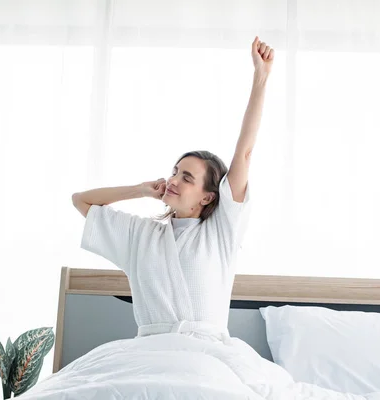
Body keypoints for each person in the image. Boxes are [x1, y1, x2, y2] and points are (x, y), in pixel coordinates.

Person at [72, 36, 274, 344]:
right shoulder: (141, 235)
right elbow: (81, 200)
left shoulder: (221, 232)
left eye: (188, 178)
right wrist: (140, 190)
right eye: (175, 172)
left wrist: (261, 78)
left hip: (208, 354)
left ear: (207, 196)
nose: (175, 180)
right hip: (151, 352)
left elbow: (244, 152)